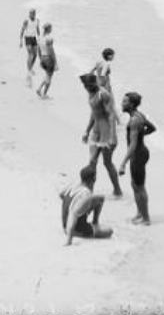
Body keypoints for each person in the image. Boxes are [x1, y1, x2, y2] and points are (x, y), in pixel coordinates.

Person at [80, 73, 123, 198]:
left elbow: (111, 115)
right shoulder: (90, 92)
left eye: (89, 86)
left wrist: (112, 136)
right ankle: (89, 190)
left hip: (106, 131)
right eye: (86, 86)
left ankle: (117, 190)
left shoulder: (103, 94)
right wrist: (87, 130)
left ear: (94, 83)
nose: (87, 88)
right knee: (92, 161)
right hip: (96, 130)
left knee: (107, 163)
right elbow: (94, 113)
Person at [118, 92, 156, 225]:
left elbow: (133, 145)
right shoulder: (140, 115)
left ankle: (146, 219)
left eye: (124, 102)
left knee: (139, 187)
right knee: (135, 185)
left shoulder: (134, 121)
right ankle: (140, 213)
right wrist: (141, 135)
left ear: (132, 104)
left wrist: (123, 163)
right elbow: (152, 128)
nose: (122, 104)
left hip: (138, 154)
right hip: (141, 152)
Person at [59, 165, 113, 246]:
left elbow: (61, 194)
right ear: (94, 179)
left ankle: (95, 222)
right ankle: (88, 228)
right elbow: (73, 214)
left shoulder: (74, 184)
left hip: (65, 224)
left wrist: (71, 204)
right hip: (75, 229)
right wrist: (69, 240)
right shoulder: (85, 194)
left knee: (100, 198)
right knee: (109, 231)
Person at [19, 9, 42, 80]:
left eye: (33, 14)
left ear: (35, 14)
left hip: (34, 38)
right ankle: (29, 70)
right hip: (27, 38)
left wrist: (39, 38)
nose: (31, 15)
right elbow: (22, 30)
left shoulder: (37, 20)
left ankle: (31, 67)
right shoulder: (26, 21)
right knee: (30, 54)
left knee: (35, 55)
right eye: (30, 13)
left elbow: (38, 30)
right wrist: (21, 41)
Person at [37, 23, 58, 98]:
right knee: (49, 77)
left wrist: (40, 60)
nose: (51, 29)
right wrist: (55, 62)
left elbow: (38, 50)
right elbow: (51, 51)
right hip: (48, 59)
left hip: (42, 57)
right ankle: (44, 94)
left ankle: (39, 89)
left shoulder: (39, 38)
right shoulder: (49, 38)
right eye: (51, 28)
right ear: (49, 29)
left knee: (47, 75)